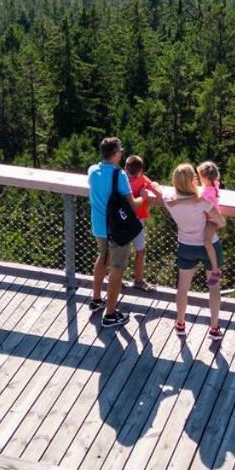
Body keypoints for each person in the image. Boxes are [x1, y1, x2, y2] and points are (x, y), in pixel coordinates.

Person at [161, 163, 227, 341]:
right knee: (214, 287)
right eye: (194, 178)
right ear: (191, 181)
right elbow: (221, 222)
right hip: (209, 246)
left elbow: (165, 193)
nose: (197, 179)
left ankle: (180, 323)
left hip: (186, 246)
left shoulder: (169, 200)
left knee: (183, 287)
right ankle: (214, 328)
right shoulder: (202, 203)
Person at [87, 136, 143, 329]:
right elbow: (132, 205)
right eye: (120, 150)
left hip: (99, 226)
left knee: (102, 257)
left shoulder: (92, 171)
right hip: (116, 229)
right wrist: (143, 197)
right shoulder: (119, 175)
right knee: (117, 269)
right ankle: (110, 314)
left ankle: (96, 299)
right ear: (116, 153)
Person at [123, 154, 162, 291]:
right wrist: (155, 186)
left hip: (122, 220)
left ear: (126, 168)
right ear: (140, 171)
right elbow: (158, 193)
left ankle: (114, 277)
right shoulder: (142, 180)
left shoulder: (121, 179)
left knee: (120, 249)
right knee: (140, 250)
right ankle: (138, 280)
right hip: (138, 220)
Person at [196, 160, 224, 285]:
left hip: (211, 220)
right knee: (207, 242)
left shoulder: (207, 192)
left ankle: (215, 270)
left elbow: (198, 201)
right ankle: (214, 269)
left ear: (206, 178)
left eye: (201, 177)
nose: (200, 180)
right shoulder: (214, 185)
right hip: (213, 217)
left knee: (207, 242)